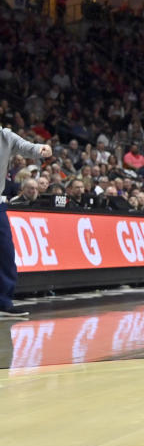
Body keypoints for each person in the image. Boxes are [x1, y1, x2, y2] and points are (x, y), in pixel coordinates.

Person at [0, 129, 51, 316]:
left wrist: (41, 149)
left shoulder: (5, 136)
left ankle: (3, 303)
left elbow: (26, 147)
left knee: (5, 252)